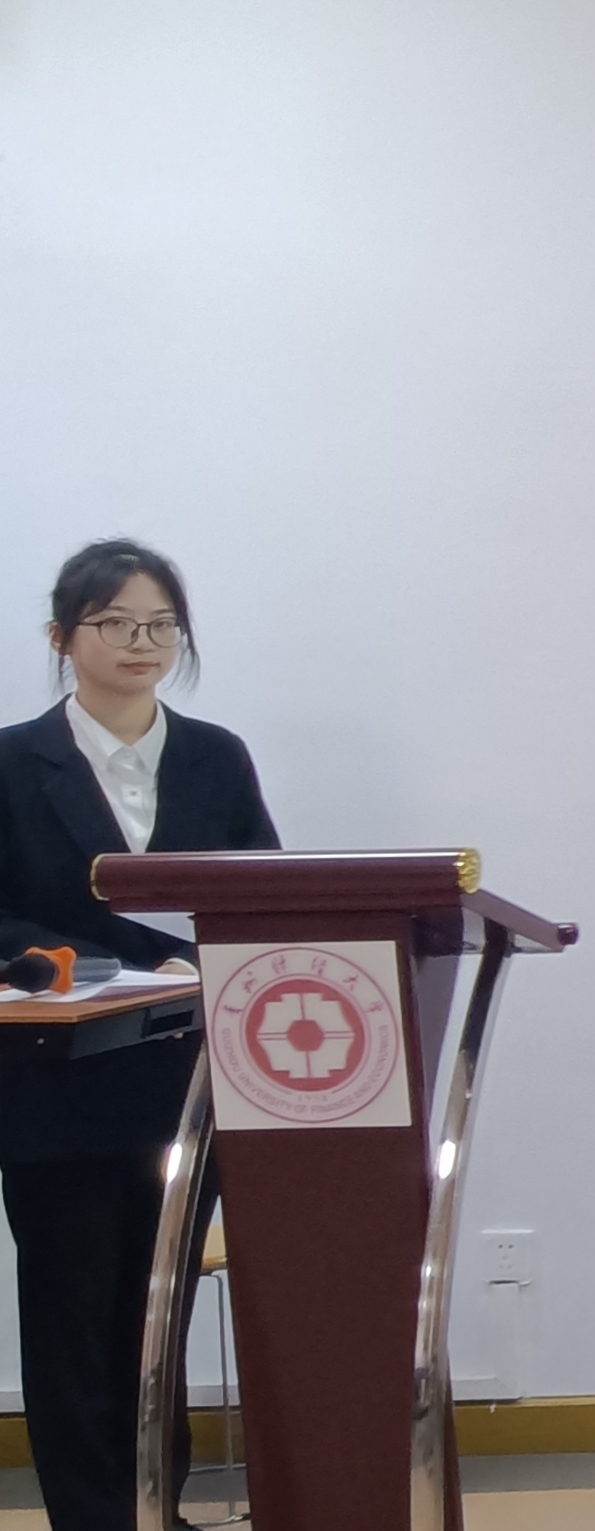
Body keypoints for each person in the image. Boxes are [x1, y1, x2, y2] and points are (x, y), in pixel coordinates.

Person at [0, 541, 262, 1531]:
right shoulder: (11, 762)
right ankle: (94, 1516)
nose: (140, 641)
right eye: (114, 621)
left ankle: (159, 1505)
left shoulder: (214, 756)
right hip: (57, 1081)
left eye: (160, 623)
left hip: (185, 1081)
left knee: (158, 1315)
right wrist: (83, 960)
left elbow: (265, 891)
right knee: (70, 1315)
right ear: (62, 637)